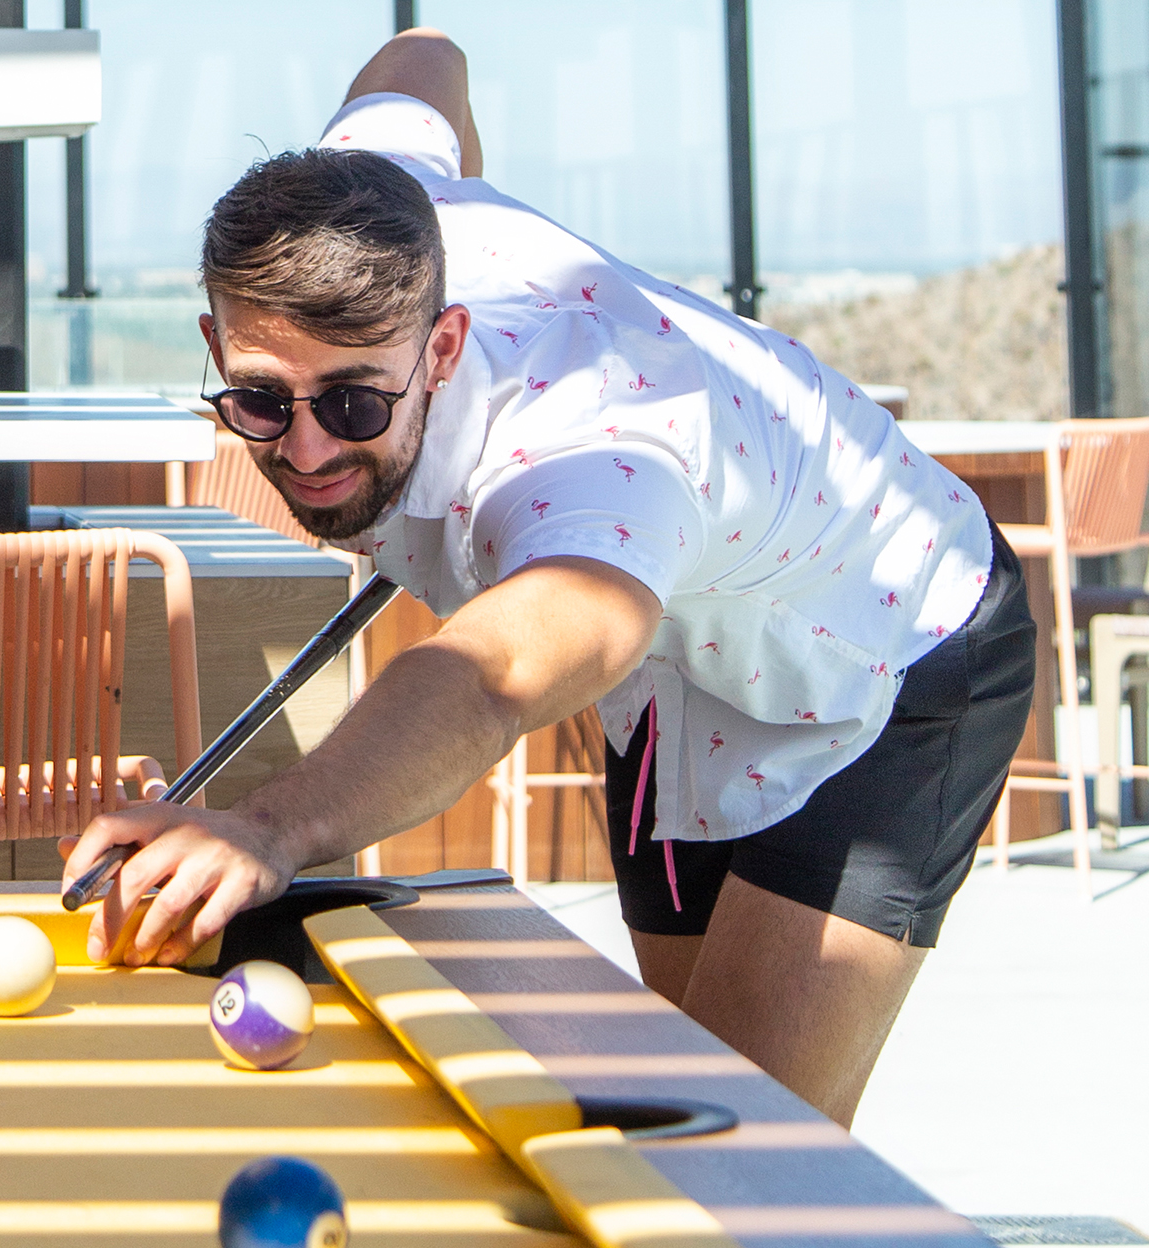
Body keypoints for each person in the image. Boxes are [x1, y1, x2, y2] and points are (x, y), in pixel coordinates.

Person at [63, 29, 1034, 1126]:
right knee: (683, 1102)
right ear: (214, 340)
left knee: (750, 1154)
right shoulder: (371, 204)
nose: (306, 451)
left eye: (353, 403)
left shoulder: (591, 460)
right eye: (258, 400)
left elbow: (497, 673)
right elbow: (420, 59)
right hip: (689, 662)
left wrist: (268, 828)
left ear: (441, 349)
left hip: (890, 644)